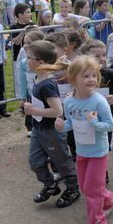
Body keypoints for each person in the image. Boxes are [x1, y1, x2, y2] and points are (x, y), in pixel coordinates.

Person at [55, 56, 113, 224]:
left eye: (93, 75)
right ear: (72, 80)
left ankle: (97, 223)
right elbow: (70, 124)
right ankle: (109, 199)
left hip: (98, 152)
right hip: (82, 151)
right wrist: (61, 126)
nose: (91, 79)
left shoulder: (99, 101)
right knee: (85, 186)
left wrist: (95, 123)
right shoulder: (69, 102)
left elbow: (110, 125)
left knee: (91, 189)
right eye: (86, 76)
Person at [23, 40, 80, 208]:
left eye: (29, 57)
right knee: (35, 161)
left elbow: (57, 111)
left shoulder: (48, 84)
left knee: (62, 161)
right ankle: (50, 185)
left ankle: (72, 188)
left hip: (51, 131)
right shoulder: (37, 78)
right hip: (38, 129)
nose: (27, 60)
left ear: (40, 62)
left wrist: (33, 111)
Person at [18, 29, 45, 137]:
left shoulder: (45, 61)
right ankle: (31, 127)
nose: (25, 45)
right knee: (31, 110)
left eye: (29, 43)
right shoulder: (24, 63)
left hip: (43, 93)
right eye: (24, 42)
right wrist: (23, 97)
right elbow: (23, 80)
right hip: (31, 93)